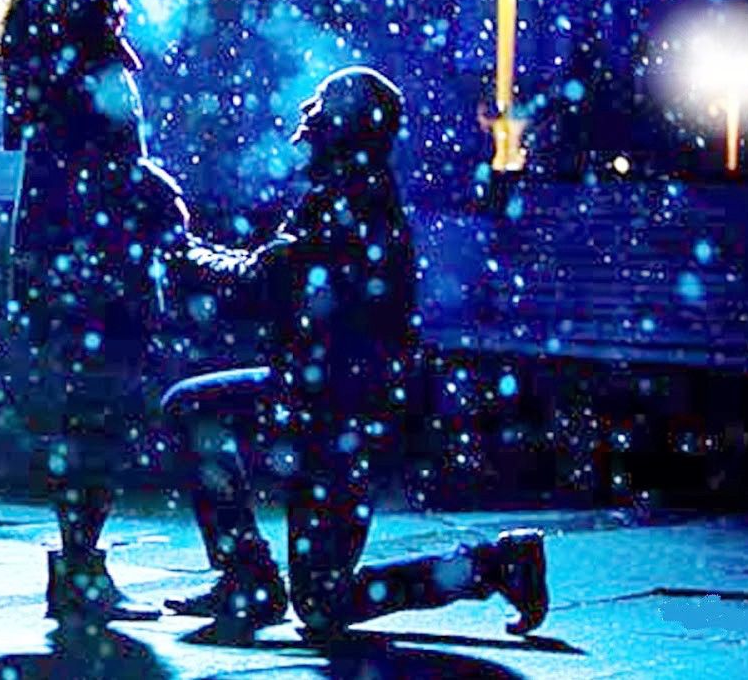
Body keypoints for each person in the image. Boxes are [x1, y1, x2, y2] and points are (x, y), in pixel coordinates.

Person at [159, 66, 549, 639]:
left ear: (344, 128)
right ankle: (248, 578)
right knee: (194, 409)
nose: (305, 120)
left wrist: (182, 251)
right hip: (321, 398)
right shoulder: (346, 192)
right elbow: (272, 273)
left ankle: (493, 565)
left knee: (324, 602)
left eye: (318, 110)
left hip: (342, 415)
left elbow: (262, 279)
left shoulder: (351, 201)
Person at [0, 0, 189, 626]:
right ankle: (79, 570)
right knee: (98, 413)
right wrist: (152, 191)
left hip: (74, 248)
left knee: (91, 410)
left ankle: (79, 567)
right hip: (90, 253)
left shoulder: (49, 29)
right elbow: (95, 154)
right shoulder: (71, 36)